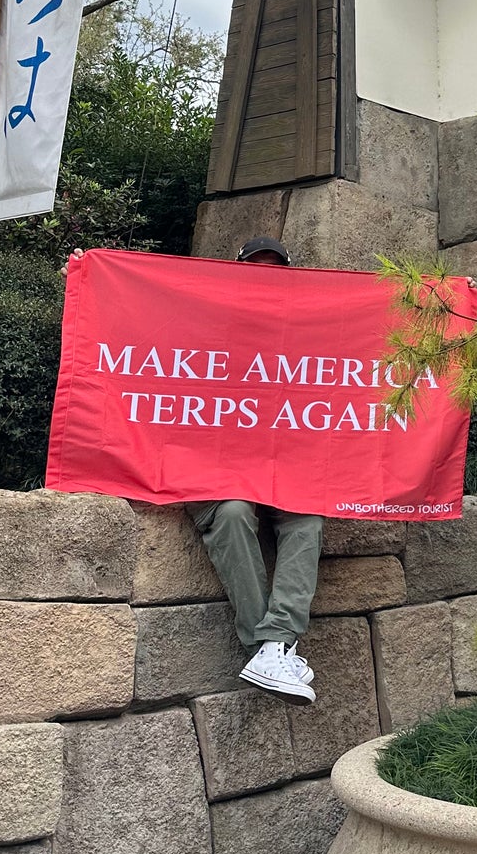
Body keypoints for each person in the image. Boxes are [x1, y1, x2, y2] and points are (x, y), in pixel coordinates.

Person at [67, 234, 322, 704]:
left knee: (306, 519)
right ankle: (268, 645)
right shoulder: (201, 316)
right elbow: (137, 325)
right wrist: (90, 281)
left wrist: (449, 304)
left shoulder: (305, 328)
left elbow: (371, 337)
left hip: (282, 468)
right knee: (231, 515)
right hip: (215, 471)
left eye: (275, 269)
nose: (265, 277)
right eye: (256, 268)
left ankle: (276, 645)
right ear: (235, 271)